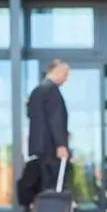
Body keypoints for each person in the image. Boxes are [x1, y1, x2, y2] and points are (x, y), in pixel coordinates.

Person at [26, 59, 71, 204]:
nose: (66, 78)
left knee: (43, 185)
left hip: (38, 148)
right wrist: (61, 144)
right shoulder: (52, 91)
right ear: (56, 71)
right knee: (54, 184)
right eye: (65, 74)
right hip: (51, 147)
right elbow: (55, 119)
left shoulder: (36, 92)